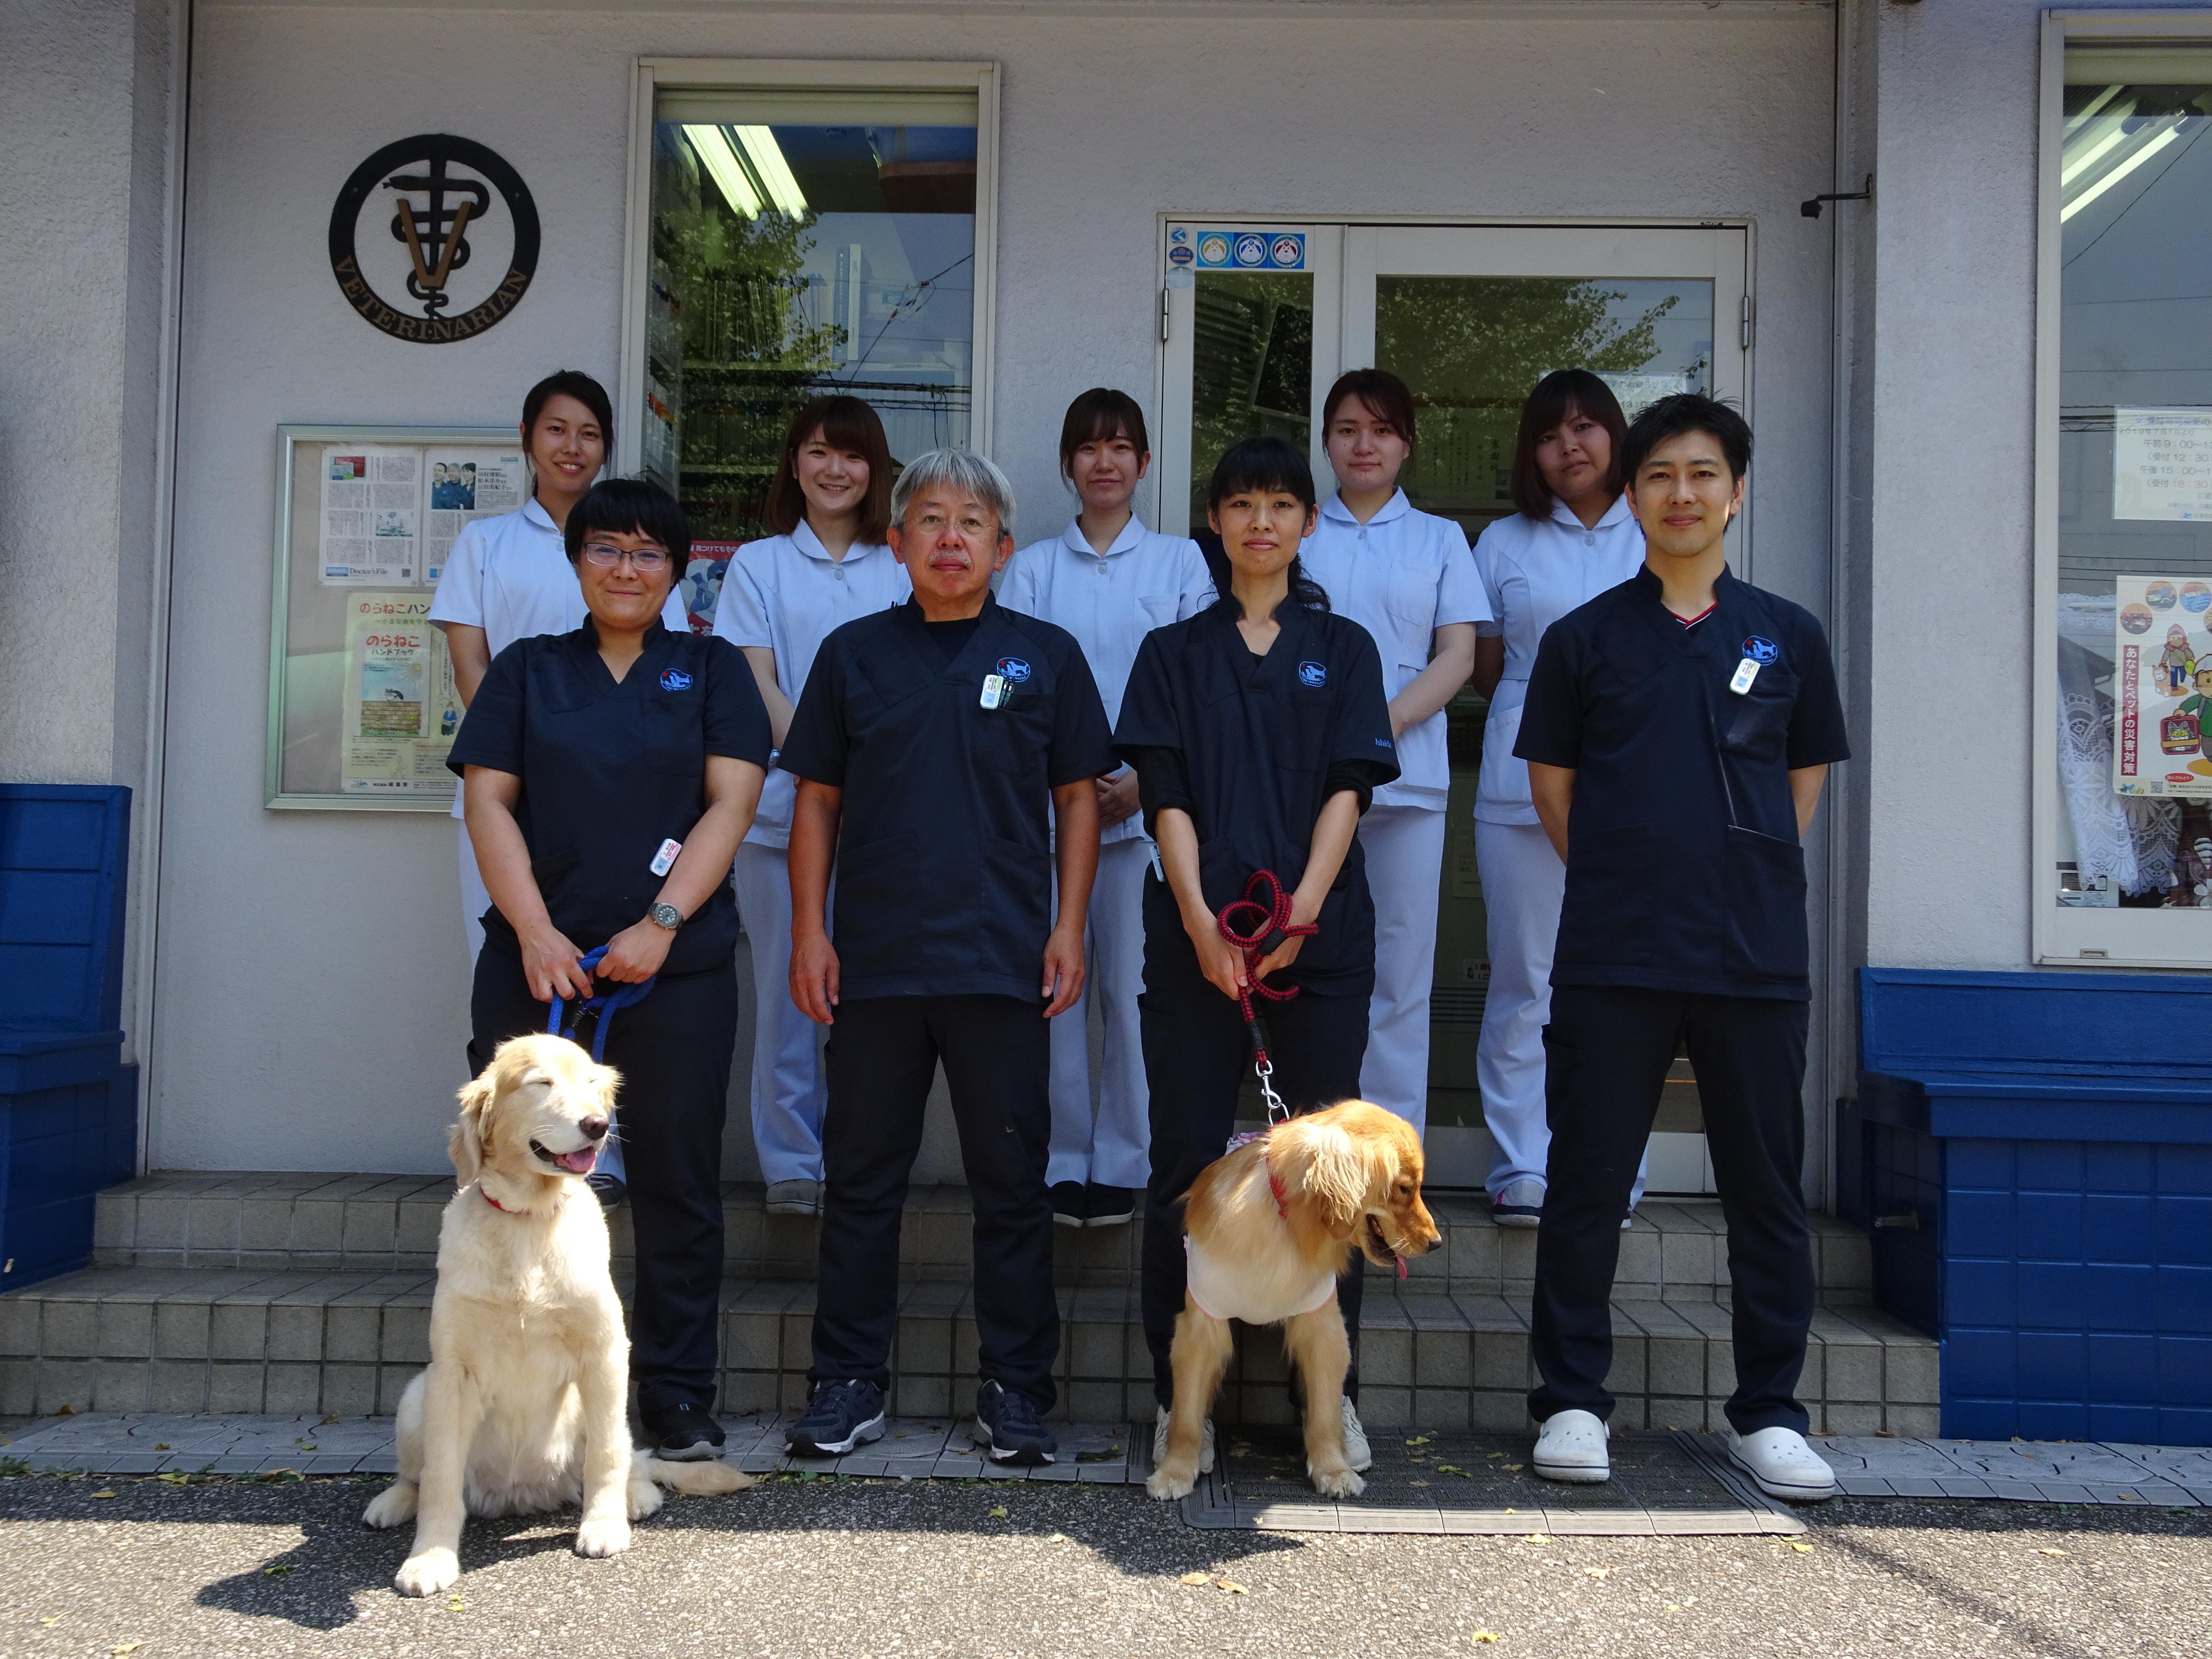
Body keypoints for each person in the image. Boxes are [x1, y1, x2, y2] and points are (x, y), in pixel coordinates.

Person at [1514, 394, 1848, 1502]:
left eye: (1705, 474)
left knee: (1763, 1190)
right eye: (1660, 475)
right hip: (1615, 949)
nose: (1683, 494)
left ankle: (1770, 1413)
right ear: (1634, 494)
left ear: (1736, 491)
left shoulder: (1787, 634)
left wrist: (1728, 868)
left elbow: (1799, 783)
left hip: (1752, 955)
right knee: (1587, 1181)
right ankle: (1569, 1401)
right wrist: (1632, 873)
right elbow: (1553, 789)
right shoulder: (1584, 639)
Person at [778, 449, 1115, 1466]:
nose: (952, 537)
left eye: (973, 521)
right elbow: (817, 803)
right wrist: (808, 930)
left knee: (1013, 1188)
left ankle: (1017, 1390)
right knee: (861, 1179)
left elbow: (1079, 801)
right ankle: (846, 1383)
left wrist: (1070, 926)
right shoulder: (852, 655)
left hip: (1003, 959)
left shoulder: (1045, 655)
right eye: (930, 520)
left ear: (1005, 547)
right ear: (899, 543)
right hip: (874, 961)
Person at [446, 478, 770, 1462]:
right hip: (537, 977)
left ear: (677, 572)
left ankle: (675, 1395)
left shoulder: (710, 671)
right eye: (606, 550)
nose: (626, 569)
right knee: (509, 1181)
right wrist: (538, 932)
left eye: (648, 554)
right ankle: (515, 1400)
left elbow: (733, 801)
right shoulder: (528, 673)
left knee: (677, 1182)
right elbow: (489, 803)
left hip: (675, 972)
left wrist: (664, 924)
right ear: (576, 561)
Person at [1117, 436, 1400, 1475]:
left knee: (1335, 1175)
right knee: (1185, 1167)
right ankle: (1175, 1396)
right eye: (1241, 504)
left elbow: (1348, 792)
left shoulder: (1347, 648)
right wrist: (1198, 920)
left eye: (1283, 504)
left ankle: (1331, 1400)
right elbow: (1166, 797)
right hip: (1197, 944)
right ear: (1216, 522)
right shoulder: (1173, 655)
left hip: (1318, 946)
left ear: (1307, 523)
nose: (1262, 522)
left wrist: (1304, 914)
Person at [428, 369, 688, 1207]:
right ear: (529, 439)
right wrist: (525, 749)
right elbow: (471, 661)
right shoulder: (488, 544)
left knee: (613, 968)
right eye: (556, 429)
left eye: (589, 433)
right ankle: (503, 1164)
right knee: (516, 964)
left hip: (617, 806)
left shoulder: (637, 544)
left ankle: (593, 1143)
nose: (572, 447)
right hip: (508, 792)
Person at [1001, 389, 1213, 1231]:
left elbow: (1195, 691)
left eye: (1121, 446)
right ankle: (1060, 1161)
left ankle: (1125, 1159)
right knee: (1053, 993)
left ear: (1145, 464)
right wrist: (1069, 780)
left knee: (1130, 996)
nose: (1105, 461)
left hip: (1141, 813)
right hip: (1049, 816)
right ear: (1067, 464)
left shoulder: (1181, 567)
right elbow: (1013, 684)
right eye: (1088, 447)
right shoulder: (1031, 571)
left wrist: (1142, 779)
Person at [713, 395, 908, 1218]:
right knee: (789, 996)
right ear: (794, 466)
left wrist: (874, 770)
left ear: (877, 472)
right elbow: (752, 676)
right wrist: (826, 761)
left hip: (885, 822)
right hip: (779, 814)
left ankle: (858, 1160)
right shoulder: (759, 563)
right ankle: (792, 1162)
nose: (836, 469)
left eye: (853, 456)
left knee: (869, 1002)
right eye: (819, 453)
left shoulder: (900, 560)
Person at [1470, 370, 1650, 1227]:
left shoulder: (1655, 524)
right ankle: (1522, 1164)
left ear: (1614, 435)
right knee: (1526, 978)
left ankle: (1611, 1165)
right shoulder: (1503, 541)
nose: (1568, 447)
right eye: (1549, 435)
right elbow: (1486, 662)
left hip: (1635, 779)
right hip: (1518, 781)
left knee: (1623, 982)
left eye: (1584, 428)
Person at [1294, 369, 1486, 1136]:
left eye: (1380, 430)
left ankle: (1390, 1160)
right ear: (1327, 444)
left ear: (1406, 443)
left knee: (1402, 971)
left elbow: (1460, 656)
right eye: (1346, 430)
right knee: (1309, 962)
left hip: (1408, 787)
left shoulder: (1439, 539)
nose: (1363, 445)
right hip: (1306, 782)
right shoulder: (1297, 530)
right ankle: (1317, 1148)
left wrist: (1380, 723)